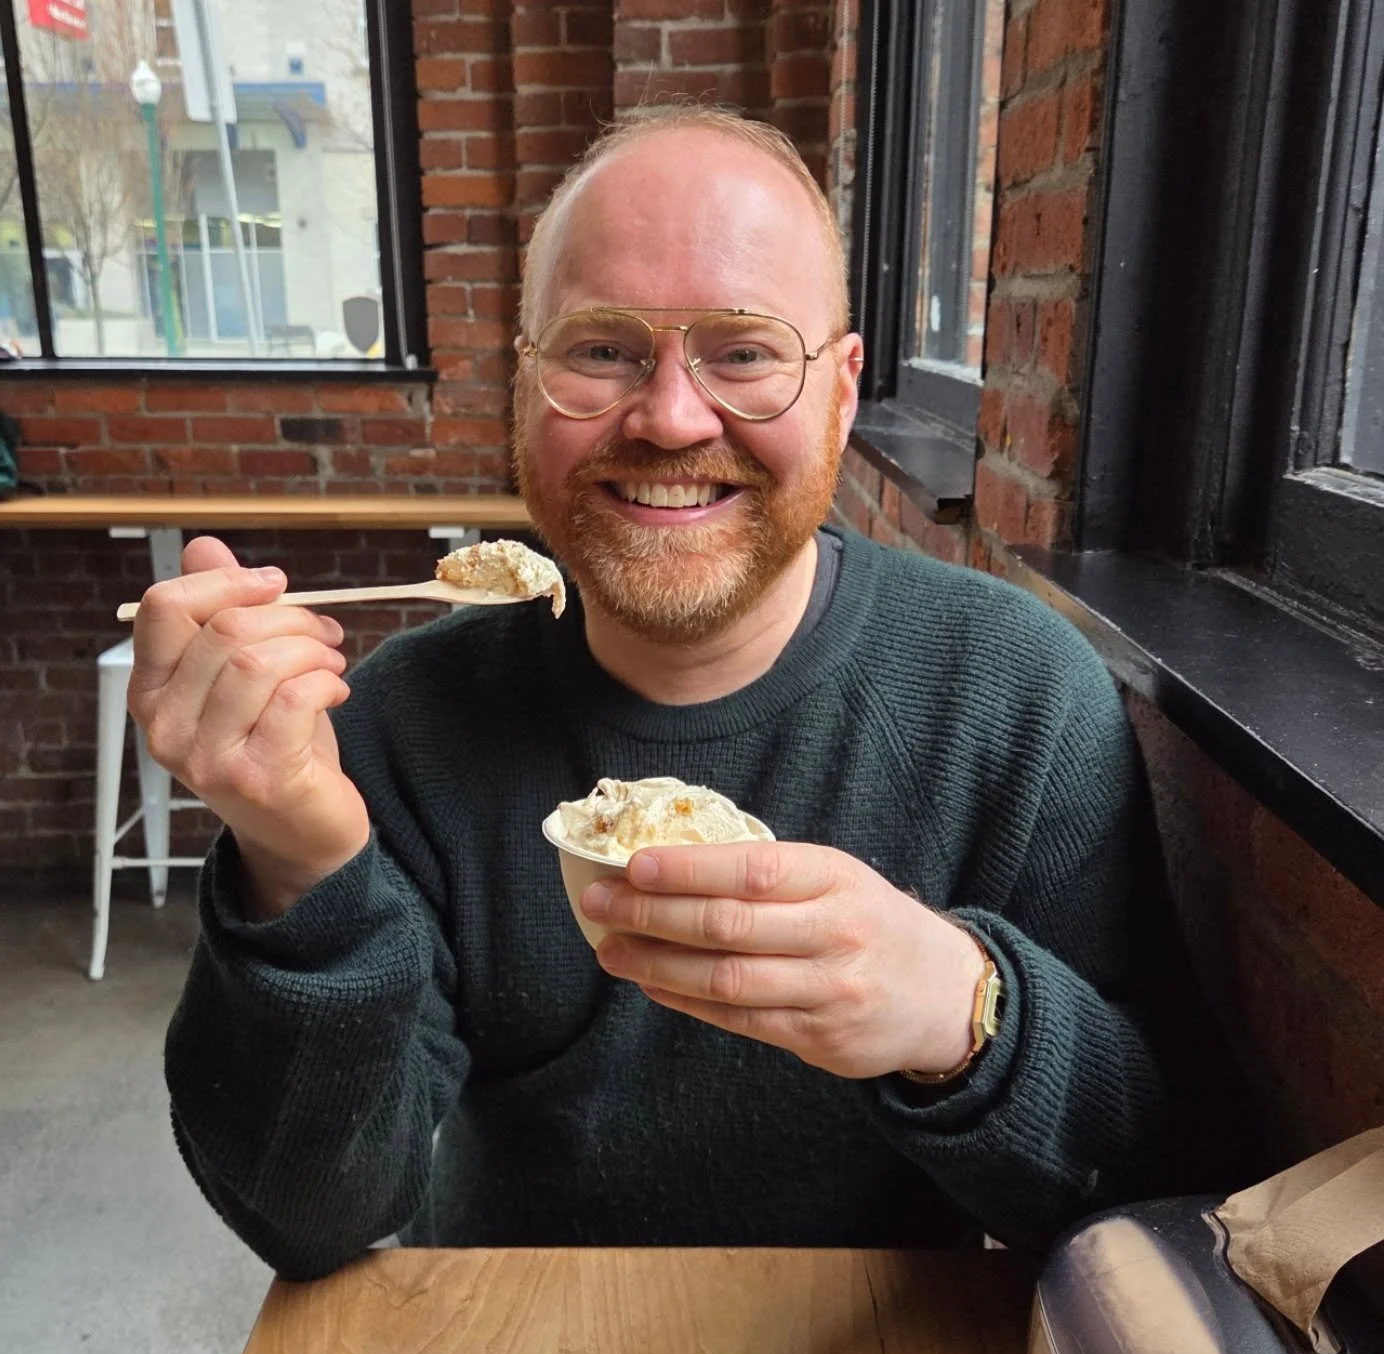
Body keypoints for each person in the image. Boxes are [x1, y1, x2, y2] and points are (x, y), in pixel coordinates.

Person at [132, 106, 1239, 1284]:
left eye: (746, 351)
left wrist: (964, 1014)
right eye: (601, 349)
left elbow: (1169, 1192)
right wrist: (297, 867)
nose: (668, 417)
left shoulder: (1012, 695)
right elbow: (307, 1217)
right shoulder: (398, 725)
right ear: (526, 384)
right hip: (509, 1337)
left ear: (844, 391)